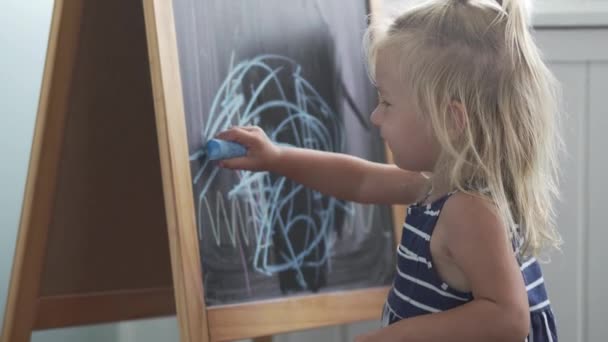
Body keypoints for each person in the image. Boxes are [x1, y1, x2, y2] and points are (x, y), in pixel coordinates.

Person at [215, 0, 561, 340]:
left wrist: (394, 336)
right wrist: (277, 158)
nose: (375, 116)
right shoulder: (437, 187)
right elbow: (360, 180)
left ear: (451, 120)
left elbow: (509, 318)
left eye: (387, 102)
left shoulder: (469, 210)